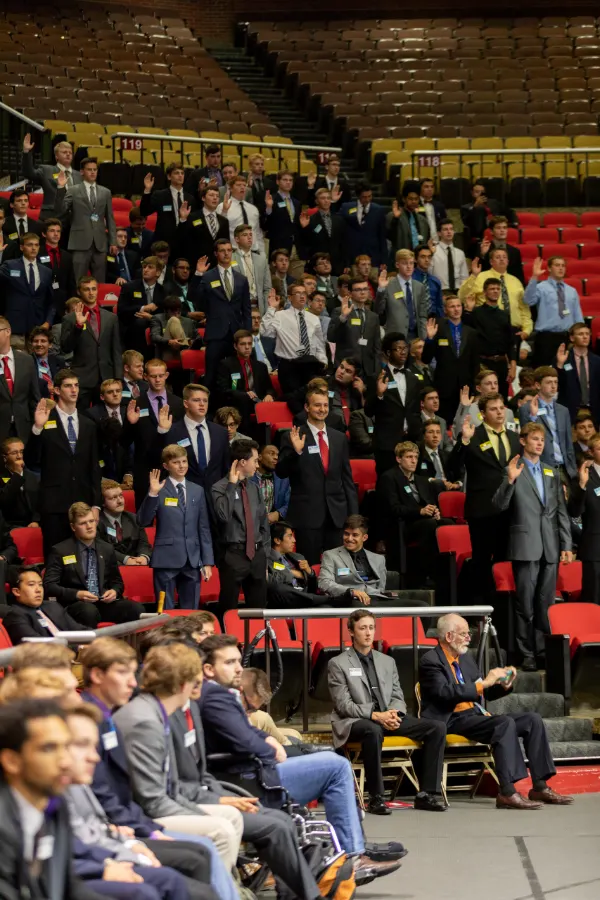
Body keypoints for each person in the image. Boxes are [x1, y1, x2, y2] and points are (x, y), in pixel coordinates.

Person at [199, 634, 399, 882]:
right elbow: (245, 740)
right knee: (336, 767)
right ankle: (352, 856)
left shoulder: (216, 693)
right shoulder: (215, 696)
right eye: (229, 663)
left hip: (248, 774)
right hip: (247, 783)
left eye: (239, 661)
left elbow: (247, 732)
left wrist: (266, 739)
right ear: (208, 669)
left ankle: (353, 848)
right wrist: (271, 747)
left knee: (326, 757)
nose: (239, 668)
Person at [79, 639, 239, 900]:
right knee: (210, 840)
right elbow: (123, 796)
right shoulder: (111, 721)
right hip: (120, 826)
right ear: (97, 675)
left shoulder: (110, 717)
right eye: (123, 673)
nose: (132, 683)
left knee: (223, 825)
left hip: (129, 819)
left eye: (133, 673)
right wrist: (147, 832)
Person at [169, 645, 326, 900]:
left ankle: (301, 895)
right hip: (184, 801)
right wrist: (217, 799)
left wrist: (216, 793)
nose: (202, 682)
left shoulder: (190, 708)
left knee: (283, 820)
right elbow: (164, 789)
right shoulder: (164, 716)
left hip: (207, 788)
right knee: (276, 823)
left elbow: (199, 771)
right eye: (195, 675)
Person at [113, 643, 247, 870]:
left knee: (231, 817)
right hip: (144, 813)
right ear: (184, 684)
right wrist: (201, 815)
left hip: (163, 802)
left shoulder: (160, 713)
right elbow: (153, 801)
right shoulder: (145, 721)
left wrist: (200, 811)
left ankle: (229, 888)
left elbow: (171, 787)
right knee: (221, 829)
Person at [420, 613, 573, 809]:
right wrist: (485, 682)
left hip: (473, 715)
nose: (469, 638)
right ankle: (507, 792)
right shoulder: (431, 660)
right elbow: (444, 693)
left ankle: (540, 786)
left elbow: (484, 692)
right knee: (503, 723)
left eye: (469, 633)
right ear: (449, 636)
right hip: (450, 719)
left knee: (532, 719)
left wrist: (504, 685)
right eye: (464, 634)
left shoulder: (465, 659)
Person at [65, 704, 216, 900]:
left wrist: (126, 841)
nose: (94, 757)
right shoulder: (144, 721)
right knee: (180, 877)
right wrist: (116, 858)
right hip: (105, 849)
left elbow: (93, 825)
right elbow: (149, 798)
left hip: (116, 836)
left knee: (201, 853)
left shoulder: (77, 778)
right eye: (81, 745)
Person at [328, 609, 446, 814]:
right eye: (362, 628)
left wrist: (394, 714)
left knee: (436, 727)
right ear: (351, 632)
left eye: (371, 628)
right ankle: (376, 798)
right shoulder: (338, 663)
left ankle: (427, 794)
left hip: (387, 717)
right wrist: (376, 715)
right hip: (355, 720)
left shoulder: (387, 661)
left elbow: (398, 696)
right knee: (373, 731)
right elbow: (343, 705)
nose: (368, 633)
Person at [0, 698, 107, 900]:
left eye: (66, 746)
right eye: (49, 748)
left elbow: (68, 887)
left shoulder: (56, 807)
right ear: (12, 761)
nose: (65, 761)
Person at [492, 423, 572, 669]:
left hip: (550, 545)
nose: (539, 443)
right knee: (525, 604)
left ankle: (541, 650)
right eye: (534, 439)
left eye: (542, 440)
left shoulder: (551, 472)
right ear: (523, 441)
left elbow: (560, 511)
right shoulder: (514, 469)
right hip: (525, 545)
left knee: (545, 603)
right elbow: (498, 505)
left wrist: (566, 543)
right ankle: (526, 653)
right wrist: (509, 481)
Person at [446, 394, 522, 602]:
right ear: (482, 414)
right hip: (482, 510)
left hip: (511, 510)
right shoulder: (473, 435)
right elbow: (452, 469)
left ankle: (501, 606)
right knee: (481, 562)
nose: (499, 412)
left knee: (506, 560)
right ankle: (479, 610)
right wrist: (464, 440)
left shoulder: (516, 439)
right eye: (493, 409)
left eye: (501, 408)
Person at [276, 388, 358, 565]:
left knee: (337, 568)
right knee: (310, 568)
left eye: (325, 405)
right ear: (306, 407)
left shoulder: (339, 438)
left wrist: (353, 516)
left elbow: (347, 480)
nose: (322, 409)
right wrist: (295, 452)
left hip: (336, 515)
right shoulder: (293, 436)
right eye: (317, 405)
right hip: (307, 516)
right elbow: (281, 472)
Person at [28, 371, 102, 557]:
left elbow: (94, 467)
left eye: (76, 385)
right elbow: (31, 460)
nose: (74, 389)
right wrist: (37, 428)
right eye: (68, 386)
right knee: (56, 558)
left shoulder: (88, 424)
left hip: (83, 503)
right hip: (54, 505)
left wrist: (96, 505)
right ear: (57, 390)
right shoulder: (45, 420)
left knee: (83, 557)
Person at [138, 445, 214, 610]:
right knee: (164, 610)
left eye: (184, 461)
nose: (181, 466)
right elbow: (143, 521)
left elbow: (204, 528)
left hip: (192, 560)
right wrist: (152, 494)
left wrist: (207, 561)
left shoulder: (197, 490)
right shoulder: (159, 488)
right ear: (166, 466)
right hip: (166, 560)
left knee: (191, 611)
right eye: (176, 462)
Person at [43, 501, 141, 628]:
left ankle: (129, 646)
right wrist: (77, 594)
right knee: (88, 611)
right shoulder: (61, 550)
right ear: (73, 527)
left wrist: (114, 592)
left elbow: (117, 582)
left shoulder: (106, 549)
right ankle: (88, 648)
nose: (89, 526)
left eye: (91, 521)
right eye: (83, 523)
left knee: (135, 609)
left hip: (103, 603)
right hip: (76, 605)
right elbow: (49, 586)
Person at [212, 440, 270, 616]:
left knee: (259, 609)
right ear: (243, 462)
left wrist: (265, 555)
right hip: (233, 555)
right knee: (229, 607)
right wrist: (231, 485)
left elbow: (263, 522)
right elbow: (223, 516)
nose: (257, 465)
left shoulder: (253, 487)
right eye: (255, 460)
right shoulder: (219, 488)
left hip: (257, 554)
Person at [376, 441, 453, 570]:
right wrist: (420, 511)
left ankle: (445, 570)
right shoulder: (389, 477)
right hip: (403, 524)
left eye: (416, 457)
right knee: (430, 525)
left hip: (422, 521)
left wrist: (435, 511)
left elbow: (430, 502)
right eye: (409, 457)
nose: (413, 461)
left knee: (448, 523)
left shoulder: (420, 479)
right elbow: (393, 508)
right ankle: (424, 570)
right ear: (398, 459)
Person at [123, 358, 185, 510]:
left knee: (173, 516)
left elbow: (183, 436)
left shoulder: (177, 403)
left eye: (161, 375)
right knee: (145, 519)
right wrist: (130, 424)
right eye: (153, 376)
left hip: (172, 470)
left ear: (167, 375)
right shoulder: (136, 404)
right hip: (145, 471)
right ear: (145, 376)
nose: (157, 380)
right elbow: (124, 442)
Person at [191, 239, 251, 387]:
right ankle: (210, 408)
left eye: (229, 250)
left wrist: (247, 333)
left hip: (236, 334)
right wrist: (198, 274)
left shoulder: (241, 279)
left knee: (236, 374)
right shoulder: (207, 276)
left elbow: (247, 309)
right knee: (211, 374)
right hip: (216, 334)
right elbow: (193, 297)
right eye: (223, 250)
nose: (226, 253)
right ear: (216, 254)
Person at [154, 383, 230, 500]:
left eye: (205, 401)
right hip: (184, 496)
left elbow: (225, 468)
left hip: (216, 496)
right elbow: (158, 461)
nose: (202, 404)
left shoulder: (220, 432)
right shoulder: (173, 431)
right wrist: (162, 431)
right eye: (196, 400)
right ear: (186, 403)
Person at [61, 276, 123, 410]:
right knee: (83, 417)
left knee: (106, 418)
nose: (91, 293)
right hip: (83, 377)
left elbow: (116, 349)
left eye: (94, 289)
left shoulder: (111, 318)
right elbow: (66, 348)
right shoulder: (69, 319)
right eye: (86, 289)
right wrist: (78, 326)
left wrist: (118, 377)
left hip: (106, 377)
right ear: (79, 292)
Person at [364, 332, 422, 475]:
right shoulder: (376, 377)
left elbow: (415, 410)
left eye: (405, 348)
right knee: (387, 485)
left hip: (410, 442)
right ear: (388, 352)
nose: (403, 352)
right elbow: (368, 411)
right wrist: (379, 394)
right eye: (398, 348)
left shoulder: (413, 378)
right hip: (387, 444)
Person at [54, 158, 117, 282]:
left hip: (100, 243)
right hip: (79, 242)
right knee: (78, 279)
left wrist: (113, 241)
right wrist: (61, 188)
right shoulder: (73, 189)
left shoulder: (106, 192)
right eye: (89, 170)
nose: (93, 172)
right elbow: (61, 210)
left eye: (95, 170)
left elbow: (110, 218)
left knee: (99, 281)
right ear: (82, 172)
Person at [259, 282, 327, 394]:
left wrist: (323, 362)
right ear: (290, 297)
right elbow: (265, 332)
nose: (302, 296)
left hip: (310, 365)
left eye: (304, 293)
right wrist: (271, 308)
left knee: (312, 398)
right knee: (294, 399)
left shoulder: (314, 319)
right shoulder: (280, 315)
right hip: (289, 366)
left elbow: (319, 343)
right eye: (298, 293)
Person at [318, 514, 398, 606]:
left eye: (355, 535)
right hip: (349, 599)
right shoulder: (331, 555)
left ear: (364, 538)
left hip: (376, 599)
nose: (349, 538)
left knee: (417, 605)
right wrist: (351, 592)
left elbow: (381, 587)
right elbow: (324, 583)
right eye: (346, 534)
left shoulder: (379, 559)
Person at [3, 566, 91, 644]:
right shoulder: (15, 616)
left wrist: (98, 637)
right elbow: (38, 645)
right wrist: (78, 648)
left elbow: (77, 629)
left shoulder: (53, 606)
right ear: (17, 591)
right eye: (31, 585)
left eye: (40, 585)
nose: (38, 590)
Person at [518, 366, 578, 480]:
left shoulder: (563, 410)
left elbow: (568, 443)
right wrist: (533, 417)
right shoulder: (526, 409)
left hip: (564, 469)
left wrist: (573, 469)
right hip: (540, 468)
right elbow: (525, 439)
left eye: (555, 382)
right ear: (538, 385)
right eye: (549, 382)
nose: (553, 386)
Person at [524, 257, 584, 367]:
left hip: (566, 338)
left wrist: (580, 335)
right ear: (549, 268)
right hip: (547, 338)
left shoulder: (572, 291)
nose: (561, 268)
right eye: (557, 265)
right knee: (544, 371)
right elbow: (528, 300)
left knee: (567, 371)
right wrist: (534, 276)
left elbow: (577, 316)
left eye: (563, 265)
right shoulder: (541, 287)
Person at [459, 249, 533, 339]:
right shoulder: (480, 277)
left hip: (514, 330)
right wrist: (474, 275)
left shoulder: (516, 281)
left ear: (508, 261)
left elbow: (524, 308)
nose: (501, 259)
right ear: (491, 261)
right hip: (488, 328)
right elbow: (462, 297)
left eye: (504, 257)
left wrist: (526, 330)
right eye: (498, 257)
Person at [462, 278, 517, 399]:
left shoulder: (504, 315)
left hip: (501, 363)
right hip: (483, 362)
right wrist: (468, 311)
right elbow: (466, 332)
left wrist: (513, 367)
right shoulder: (477, 312)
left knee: (501, 397)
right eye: (492, 289)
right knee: (483, 397)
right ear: (485, 292)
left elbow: (510, 342)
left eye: (498, 289)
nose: (495, 291)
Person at [215, 328, 275, 431]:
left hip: (259, 402)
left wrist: (269, 394)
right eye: (243, 344)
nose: (247, 347)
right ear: (235, 346)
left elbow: (269, 388)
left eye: (249, 343)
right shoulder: (226, 365)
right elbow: (223, 390)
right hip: (238, 403)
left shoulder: (260, 366)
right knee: (243, 402)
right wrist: (244, 394)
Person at [0, 233, 55, 342]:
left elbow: (51, 301)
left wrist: (48, 322)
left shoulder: (46, 271)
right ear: (21, 247)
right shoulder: (10, 266)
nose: (34, 248)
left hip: (38, 329)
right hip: (14, 326)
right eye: (30, 245)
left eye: (36, 245)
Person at [327, 278, 382, 381]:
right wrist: (343, 317)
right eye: (358, 290)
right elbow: (331, 337)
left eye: (365, 289)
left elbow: (377, 347)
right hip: (345, 369)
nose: (362, 292)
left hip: (367, 371)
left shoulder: (373, 316)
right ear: (350, 293)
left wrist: (377, 371)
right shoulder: (339, 311)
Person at [267, 520, 327, 608]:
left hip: (305, 597)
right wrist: (292, 573)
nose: (294, 540)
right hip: (283, 601)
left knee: (326, 608)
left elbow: (313, 588)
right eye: (290, 536)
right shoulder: (266, 560)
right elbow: (272, 583)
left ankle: (324, 600)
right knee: (280, 589)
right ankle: (328, 599)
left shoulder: (298, 557)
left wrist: (309, 572)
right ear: (277, 540)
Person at [22, 133, 83, 218]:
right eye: (64, 152)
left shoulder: (79, 175)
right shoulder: (46, 170)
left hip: (74, 219)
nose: (68, 154)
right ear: (56, 156)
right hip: (52, 216)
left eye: (70, 152)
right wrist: (26, 152)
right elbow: (29, 173)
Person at [84, 378, 132, 483]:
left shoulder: (129, 411)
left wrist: (129, 473)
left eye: (118, 391)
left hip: (127, 466)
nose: (115, 394)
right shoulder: (92, 414)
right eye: (110, 392)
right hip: (104, 468)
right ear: (102, 397)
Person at [0, 316, 40, 443]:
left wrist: (35, 426)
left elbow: (34, 396)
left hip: (23, 428)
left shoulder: (27, 360)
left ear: (8, 331)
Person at [117, 255, 167, 357]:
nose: (145, 270)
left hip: (156, 325)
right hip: (133, 326)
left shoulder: (163, 291)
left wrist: (152, 318)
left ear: (158, 272)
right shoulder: (129, 287)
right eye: (144, 267)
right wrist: (143, 308)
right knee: (140, 323)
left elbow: (166, 312)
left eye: (150, 267)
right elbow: (121, 310)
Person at [140, 165, 195, 254]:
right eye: (177, 173)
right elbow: (144, 211)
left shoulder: (190, 198)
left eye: (182, 173)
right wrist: (147, 190)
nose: (180, 175)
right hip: (164, 243)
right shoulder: (160, 195)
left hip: (184, 242)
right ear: (169, 177)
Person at [452, 369, 518, 442]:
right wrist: (464, 407)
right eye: (488, 384)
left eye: (495, 383)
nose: (493, 387)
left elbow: (513, 439)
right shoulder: (469, 409)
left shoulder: (508, 412)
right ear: (479, 388)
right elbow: (456, 434)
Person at [375, 250, 428, 341]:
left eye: (411, 263)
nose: (409, 267)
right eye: (405, 263)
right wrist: (381, 289)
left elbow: (422, 315)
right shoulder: (388, 285)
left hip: (416, 336)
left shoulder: (420, 287)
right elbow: (378, 310)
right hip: (395, 336)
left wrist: (424, 338)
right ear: (397, 265)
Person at [97, 479, 151, 565]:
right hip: (110, 568)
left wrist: (143, 557)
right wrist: (126, 559)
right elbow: (101, 548)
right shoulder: (96, 522)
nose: (120, 501)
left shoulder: (134, 518)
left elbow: (143, 543)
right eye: (113, 498)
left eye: (121, 496)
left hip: (136, 567)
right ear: (103, 503)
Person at [555, 322, 600, 424]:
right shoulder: (563, 359)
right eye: (580, 334)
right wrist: (560, 366)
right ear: (572, 338)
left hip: (594, 412)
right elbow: (557, 385)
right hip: (570, 412)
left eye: (587, 334)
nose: (585, 337)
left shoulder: (597, 361)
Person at [176, 186, 229, 269]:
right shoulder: (192, 217)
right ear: (203, 198)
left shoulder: (224, 220)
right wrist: (183, 219)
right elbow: (182, 239)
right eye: (211, 195)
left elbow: (226, 243)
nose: (215, 198)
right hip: (197, 264)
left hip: (218, 266)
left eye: (217, 196)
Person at [339, 183, 387, 269]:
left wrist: (383, 260)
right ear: (358, 196)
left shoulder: (379, 210)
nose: (367, 199)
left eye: (370, 196)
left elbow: (382, 236)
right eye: (364, 197)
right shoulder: (347, 207)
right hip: (353, 255)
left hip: (373, 256)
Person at [298, 190, 345, 276]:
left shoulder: (339, 219)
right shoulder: (310, 220)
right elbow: (306, 242)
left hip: (337, 263)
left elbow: (344, 242)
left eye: (328, 198)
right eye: (323, 198)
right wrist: (305, 228)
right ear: (317, 201)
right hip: (318, 264)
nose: (326, 200)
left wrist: (346, 264)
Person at [39, 217, 77, 321]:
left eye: (58, 231)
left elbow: (71, 282)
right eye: (52, 231)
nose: (56, 234)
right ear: (44, 234)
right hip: (42, 302)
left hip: (62, 303)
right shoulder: (37, 253)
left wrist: (72, 302)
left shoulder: (67, 256)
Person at [0, 436, 40, 527]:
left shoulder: (32, 476)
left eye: (21, 452)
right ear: (5, 457)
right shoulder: (1, 477)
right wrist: (17, 474)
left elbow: (40, 502)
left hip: (33, 525)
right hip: (9, 528)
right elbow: (3, 501)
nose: (19, 456)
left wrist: (36, 521)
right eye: (14, 453)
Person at [232, 223, 272, 314]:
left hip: (259, 307)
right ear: (237, 239)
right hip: (239, 309)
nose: (249, 237)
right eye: (245, 235)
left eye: (250, 235)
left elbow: (267, 288)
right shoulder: (231, 259)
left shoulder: (261, 258)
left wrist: (266, 310)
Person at [217, 177, 264, 251]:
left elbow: (257, 232)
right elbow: (219, 230)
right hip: (234, 251)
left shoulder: (253, 209)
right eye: (238, 185)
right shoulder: (222, 207)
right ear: (231, 188)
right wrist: (224, 212)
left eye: (244, 185)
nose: (242, 187)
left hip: (253, 250)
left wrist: (262, 251)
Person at [263, 171, 301, 254]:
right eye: (285, 180)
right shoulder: (270, 199)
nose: (288, 182)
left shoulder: (296, 202)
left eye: (290, 180)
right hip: (278, 248)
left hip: (296, 248)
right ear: (277, 182)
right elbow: (265, 224)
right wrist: (269, 208)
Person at [250, 444, 290, 523]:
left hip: (273, 525)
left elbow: (290, 502)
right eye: (271, 454)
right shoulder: (248, 477)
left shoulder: (283, 479)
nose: (276, 457)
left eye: (277, 455)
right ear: (260, 457)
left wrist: (278, 513)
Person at [480, 215, 525, 284]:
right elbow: (479, 273)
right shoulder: (484, 249)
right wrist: (483, 255)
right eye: (498, 228)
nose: (502, 230)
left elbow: (519, 276)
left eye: (504, 228)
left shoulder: (515, 251)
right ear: (491, 231)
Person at [150, 296, 196, 362]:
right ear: (165, 311)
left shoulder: (188, 321)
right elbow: (154, 336)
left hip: (183, 352)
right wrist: (169, 341)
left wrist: (192, 341)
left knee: (206, 349)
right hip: (167, 352)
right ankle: (186, 346)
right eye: (173, 310)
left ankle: (186, 347)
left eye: (178, 310)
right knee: (174, 319)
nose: (176, 313)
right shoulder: (158, 319)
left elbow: (196, 337)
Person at [387, 189, 430, 259]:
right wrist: (395, 219)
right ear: (404, 199)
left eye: (416, 199)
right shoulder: (393, 216)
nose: (414, 201)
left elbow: (427, 239)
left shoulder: (423, 220)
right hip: (401, 259)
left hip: (418, 260)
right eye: (410, 199)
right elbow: (389, 237)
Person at [418, 420, 461, 487]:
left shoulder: (447, 455)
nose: (435, 436)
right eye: (431, 432)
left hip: (448, 491)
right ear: (424, 436)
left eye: (438, 432)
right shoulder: (417, 456)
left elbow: (460, 473)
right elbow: (416, 477)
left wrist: (457, 484)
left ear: (441, 436)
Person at [429, 219, 469, 291]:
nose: (449, 232)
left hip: (457, 290)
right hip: (439, 291)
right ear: (439, 233)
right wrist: (430, 255)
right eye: (445, 229)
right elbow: (429, 273)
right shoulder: (433, 251)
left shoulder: (460, 253)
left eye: (451, 229)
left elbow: (464, 277)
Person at [29, 324, 65, 398]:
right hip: (36, 400)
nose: (39, 344)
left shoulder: (58, 361)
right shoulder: (27, 362)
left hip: (56, 400)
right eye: (36, 341)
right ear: (32, 344)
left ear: (50, 344)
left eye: (43, 341)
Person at [412, 244, 444, 317]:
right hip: (414, 320)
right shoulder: (409, 279)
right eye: (423, 257)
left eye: (429, 257)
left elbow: (439, 306)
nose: (427, 260)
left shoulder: (435, 281)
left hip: (433, 320)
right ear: (415, 259)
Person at [419, 386, 452, 452]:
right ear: (422, 403)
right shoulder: (416, 420)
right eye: (431, 398)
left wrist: (445, 457)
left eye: (437, 398)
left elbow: (448, 444)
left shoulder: (442, 421)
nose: (435, 401)